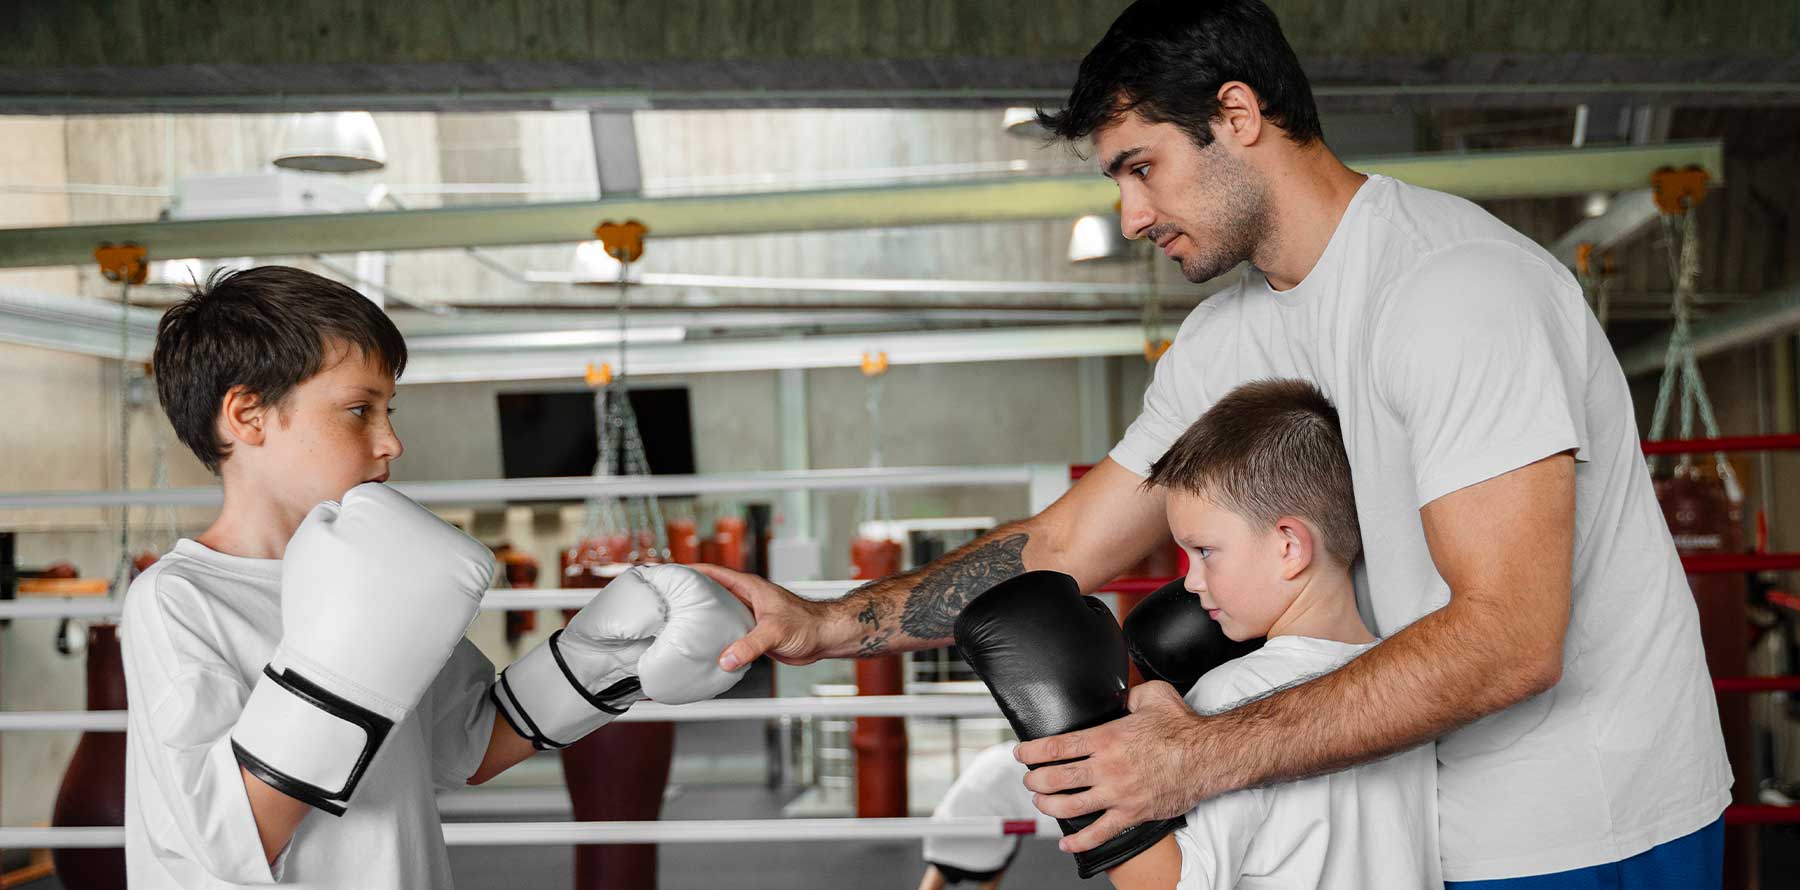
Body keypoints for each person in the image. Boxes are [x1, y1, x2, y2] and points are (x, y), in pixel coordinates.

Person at [697, 2, 1731, 886]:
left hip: (1586, 817)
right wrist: (828, 625)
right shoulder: (1226, 338)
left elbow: (1510, 637)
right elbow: (1066, 541)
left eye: (1141, 166)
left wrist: (1195, 759)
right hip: (1418, 816)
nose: (1132, 212)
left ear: (1237, 115)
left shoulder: (1455, 290)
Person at [122, 266, 752, 888]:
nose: (390, 440)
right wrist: (338, 673)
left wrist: (601, 658)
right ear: (248, 416)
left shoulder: (373, 574)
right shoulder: (177, 600)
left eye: (388, 410)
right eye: (358, 410)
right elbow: (229, 840)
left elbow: (468, 745)